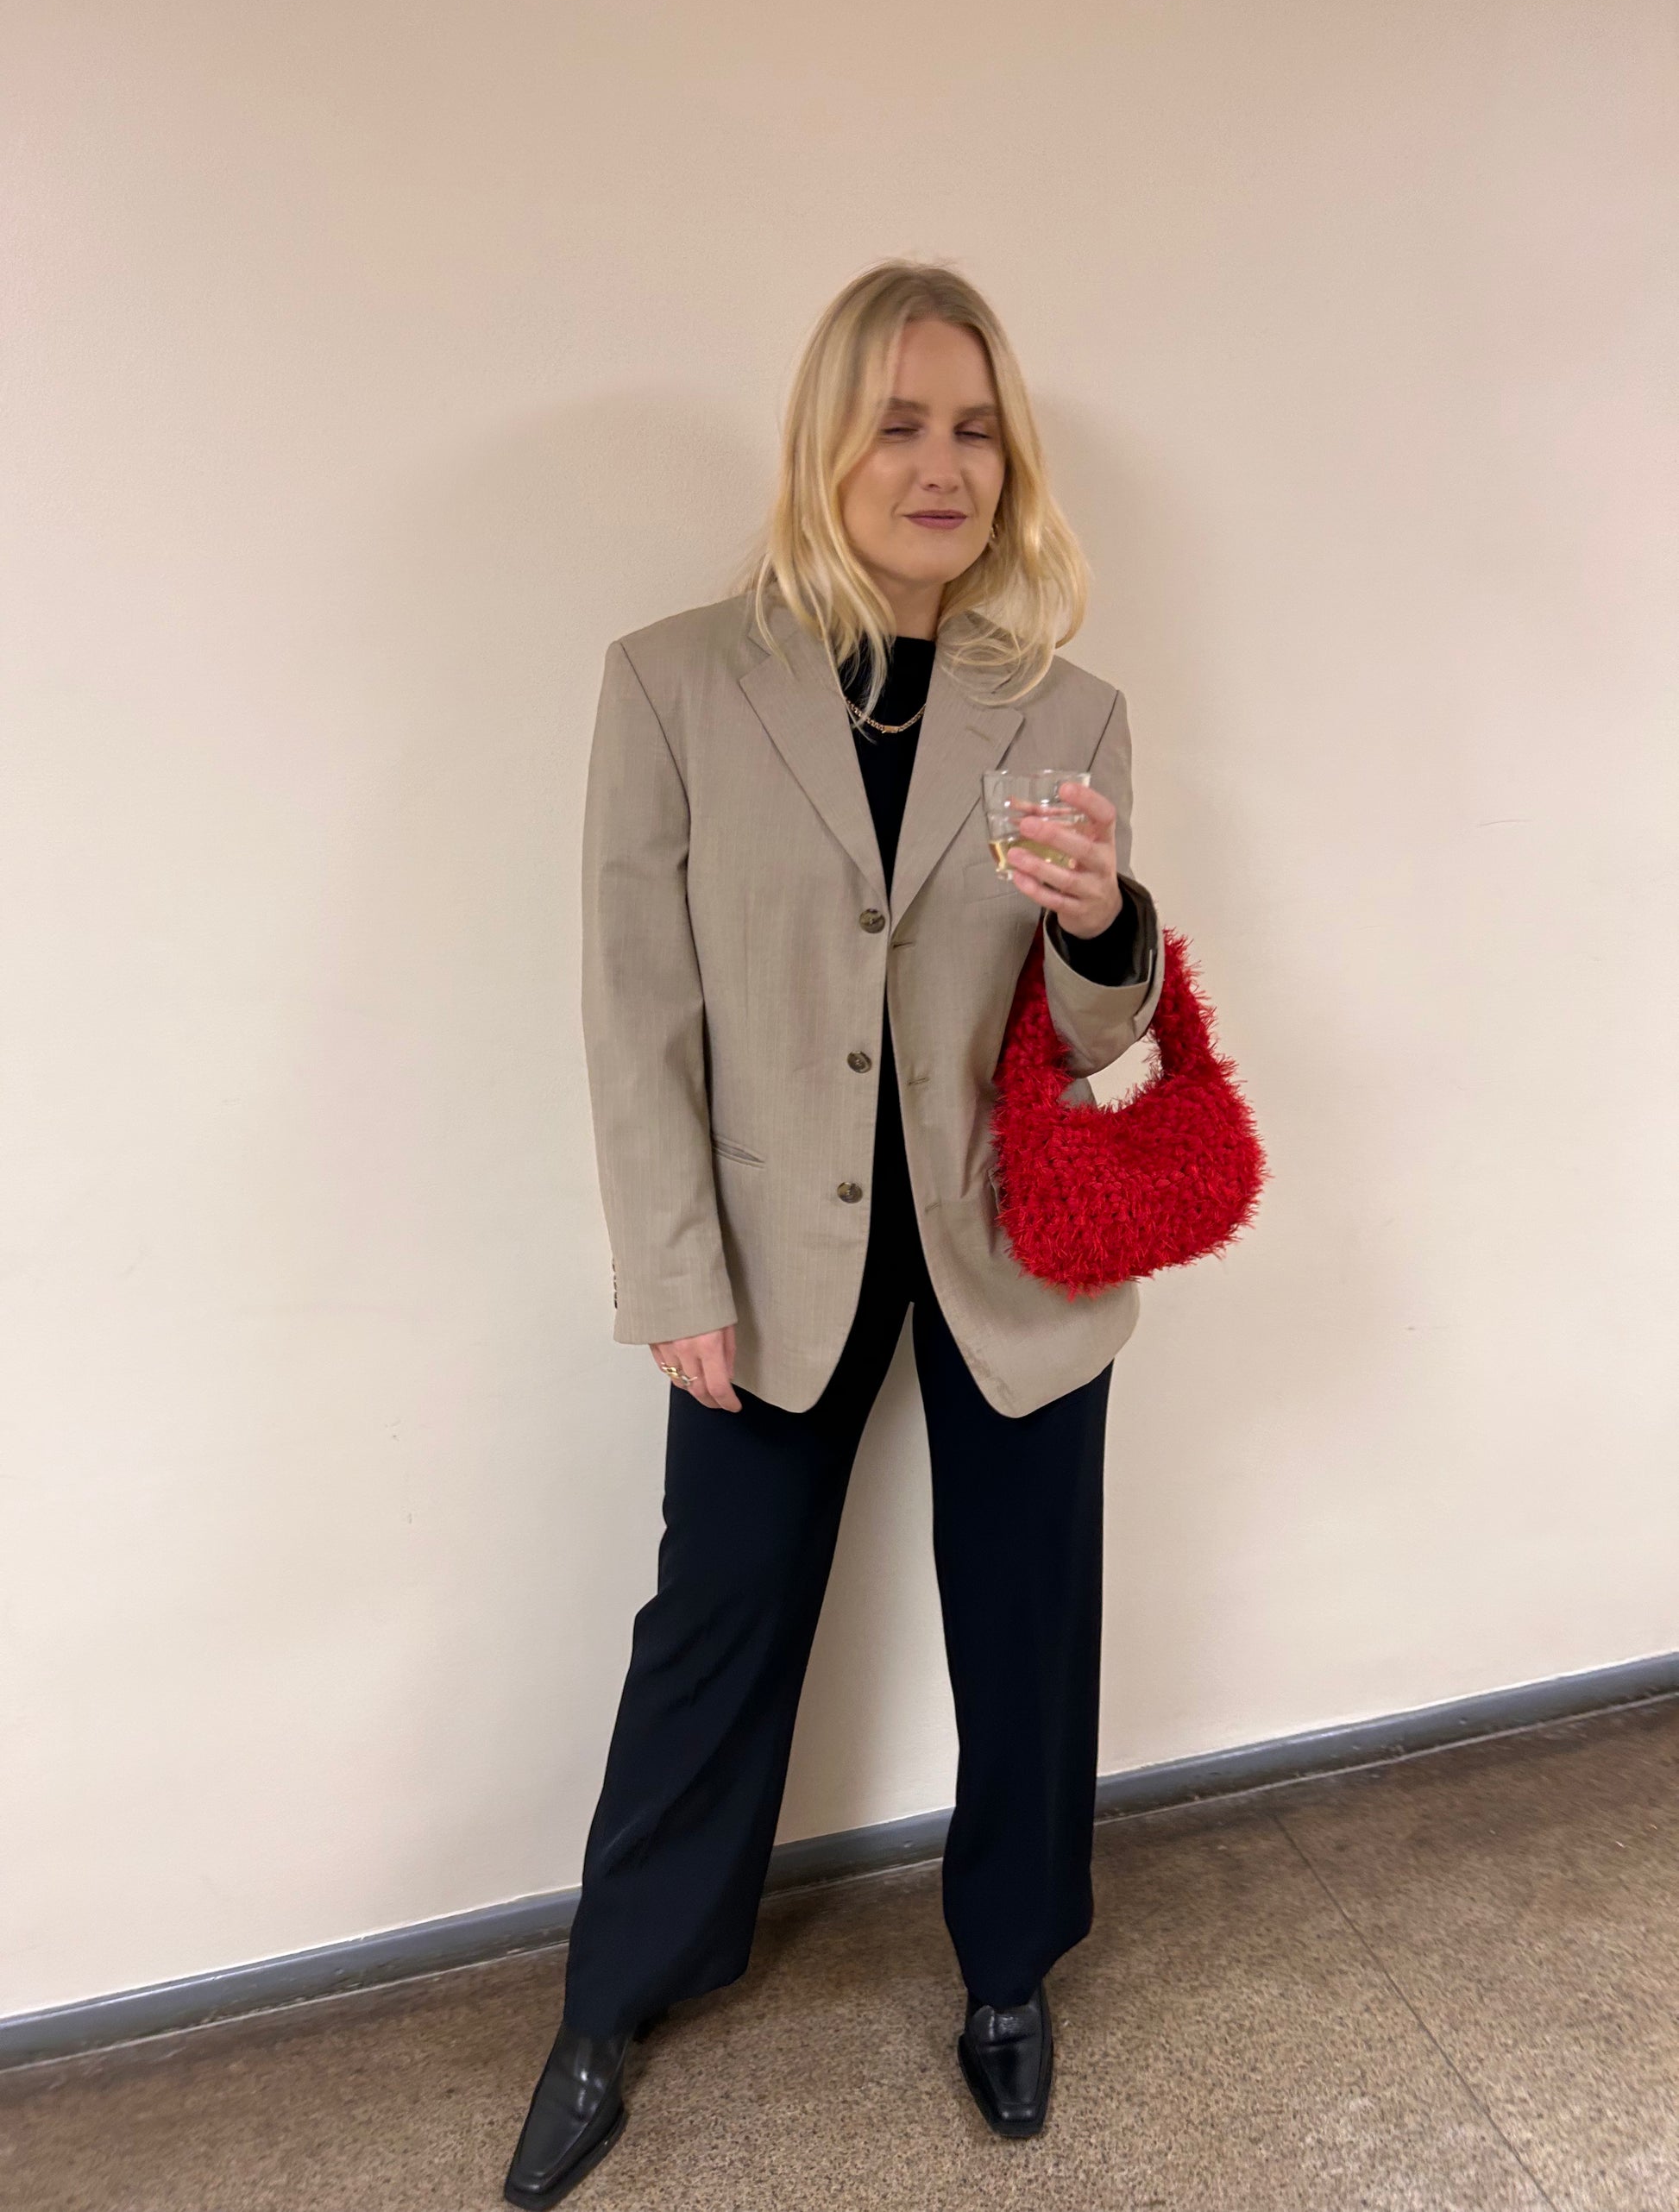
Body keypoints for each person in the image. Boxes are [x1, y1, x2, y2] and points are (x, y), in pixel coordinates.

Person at [503, 260, 1165, 2209]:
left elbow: (1096, 1040)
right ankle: (616, 1992)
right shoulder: (672, 681)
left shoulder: (1069, 708)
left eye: (974, 430)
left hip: (1005, 1247)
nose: (939, 465)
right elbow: (636, 1011)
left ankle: (1009, 1967)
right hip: (766, 1250)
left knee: (1028, 1617)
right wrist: (671, 1273)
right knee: (713, 1620)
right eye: (898, 423)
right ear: (824, 443)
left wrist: (1105, 927)